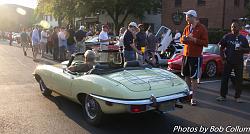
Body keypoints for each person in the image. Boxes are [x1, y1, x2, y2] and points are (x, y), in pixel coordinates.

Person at [216, 21, 250, 103]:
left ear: (239, 28)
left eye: (234, 27)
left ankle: (237, 97)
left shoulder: (243, 38)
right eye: (231, 27)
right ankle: (222, 96)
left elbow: (248, 49)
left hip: (239, 62)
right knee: (225, 79)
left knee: (239, 80)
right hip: (228, 61)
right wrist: (223, 58)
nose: (233, 28)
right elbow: (220, 47)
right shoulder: (227, 36)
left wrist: (242, 49)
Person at [180, 10, 208, 106]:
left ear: (192, 17)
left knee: (194, 78)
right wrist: (184, 39)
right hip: (186, 55)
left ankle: (194, 98)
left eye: (187, 17)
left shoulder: (202, 28)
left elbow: (205, 43)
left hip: (195, 57)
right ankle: (188, 96)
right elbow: (182, 40)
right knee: (186, 76)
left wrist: (194, 39)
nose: (186, 18)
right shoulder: (187, 27)